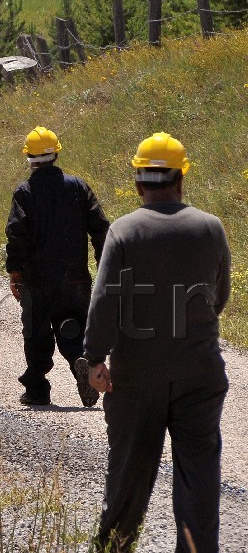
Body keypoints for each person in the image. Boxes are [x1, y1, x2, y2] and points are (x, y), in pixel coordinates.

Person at [79, 132, 230, 553]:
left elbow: (106, 299)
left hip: (137, 377)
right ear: (181, 178)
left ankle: (114, 549)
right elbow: (218, 297)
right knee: (198, 483)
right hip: (199, 374)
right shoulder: (210, 228)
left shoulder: (125, 232)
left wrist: (93, 358)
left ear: (138, 183)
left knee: (128, 479)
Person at [5, 126, 110, 407]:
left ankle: (37, 388)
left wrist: (15, 271)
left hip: (36, 279)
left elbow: (17, 233)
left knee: (36, 330)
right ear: (56, 153)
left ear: (28, 157)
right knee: (72, 326)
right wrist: (104, 264)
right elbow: (101, 228)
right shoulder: (78, 186)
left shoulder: (25, 192)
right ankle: (80, 359)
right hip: (74, 277)